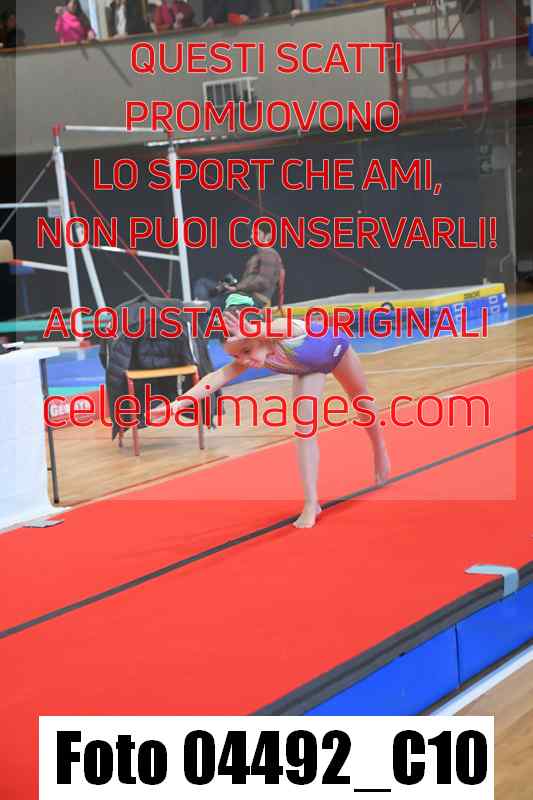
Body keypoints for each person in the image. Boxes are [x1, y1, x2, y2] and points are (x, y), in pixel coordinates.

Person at [155, 295, 391, 528]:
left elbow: (285, 327)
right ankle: (311, 503)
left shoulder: (280, 329)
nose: (244, 360)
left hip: (336, 348)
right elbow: (216, 377)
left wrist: (254, 331)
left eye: (246, 350)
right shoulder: (252, 352)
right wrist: (177, 405)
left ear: (259, 334)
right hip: (309, 369)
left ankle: (379, 448)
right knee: (304, 431)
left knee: (360, 397)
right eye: (236, 356)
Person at [194, 221, 285, 316]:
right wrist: (234, 285)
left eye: (256, 233)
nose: (252, 236)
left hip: (252, 298)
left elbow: (263, 282)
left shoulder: (268, 253)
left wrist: (236, 287)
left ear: (268, 236)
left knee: (204, 301)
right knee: (203, 283)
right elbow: (255, 280)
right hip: (244, 294)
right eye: (252, 233)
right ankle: (204, 305)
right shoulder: (260, 255)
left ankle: (204, 307)